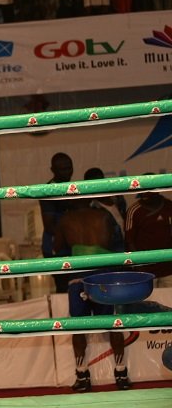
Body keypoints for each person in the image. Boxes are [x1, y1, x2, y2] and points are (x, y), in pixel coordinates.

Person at [53, 197, 131, 392]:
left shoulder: (65, 220)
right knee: (113, 325)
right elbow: (118, 243)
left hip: (78, 276)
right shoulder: (104, 216)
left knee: (78, 327)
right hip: (103, 276)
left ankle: (82, 376)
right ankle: (121, 374)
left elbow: (56, 248)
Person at [39, 151, 74, 293]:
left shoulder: (73, 188)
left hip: (72, 247)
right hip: (56, 248)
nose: (67, 172)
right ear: (53, 170)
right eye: (62, 169)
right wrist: (72, 236)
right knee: (64, 290)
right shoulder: (48, 191)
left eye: (69, 167)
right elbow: (49, 225)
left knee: (77, 288)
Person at [125, 188, 172, 287]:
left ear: (157, 192)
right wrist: (138, 266)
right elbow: (129, 241)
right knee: (149, 301)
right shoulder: (134, 210)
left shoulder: (169, 206)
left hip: (169, 269)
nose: (144, 196)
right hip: (146, 271)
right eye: (142, 194)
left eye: (147, 193)